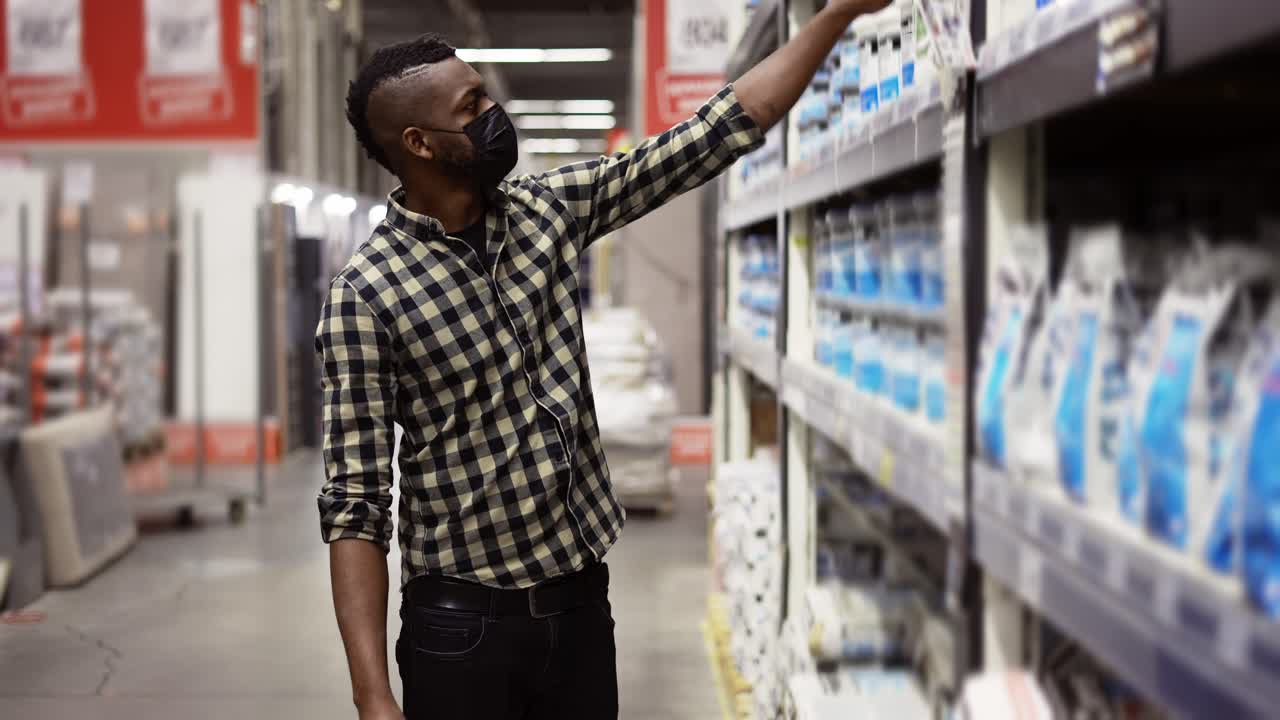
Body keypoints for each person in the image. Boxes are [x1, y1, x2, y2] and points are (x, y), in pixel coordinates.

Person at [317, 1, 892, 717]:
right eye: (473, 106)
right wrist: (372, 694)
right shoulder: (367, 294)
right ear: (420, 143)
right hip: (460, 628)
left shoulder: (548, 213)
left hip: (580, 608)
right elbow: (355, 507)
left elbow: (717, 130)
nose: (495, 114)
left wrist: (837, 15)